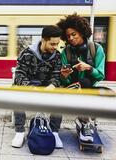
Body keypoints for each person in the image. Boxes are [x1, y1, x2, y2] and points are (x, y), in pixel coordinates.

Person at [11, 25, 63, 148]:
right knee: (15, 93)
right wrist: (30, 88)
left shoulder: (56, 56)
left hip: (46, 87)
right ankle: (20, 132)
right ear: (43, 40)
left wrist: (52, 85)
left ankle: (54, 132)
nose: (55, 47)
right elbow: (19, 74)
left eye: (57, 44)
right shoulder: (27, 53)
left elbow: (56, 76)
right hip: (29, 86)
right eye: (52, 44)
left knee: (60, 95)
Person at [57, 13, 105, 142]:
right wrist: (64, 76)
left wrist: (89, 68)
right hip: (71, 88)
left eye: (74, 34)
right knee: (83, 84)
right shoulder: (65, 52)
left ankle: (84, 121)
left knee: (86, 82)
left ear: (82, 33)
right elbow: (63, 80)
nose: (71, 38)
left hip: (88, 87)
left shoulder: (96, 49)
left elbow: (101, 75)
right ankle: (85, 123)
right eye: (68, 36)